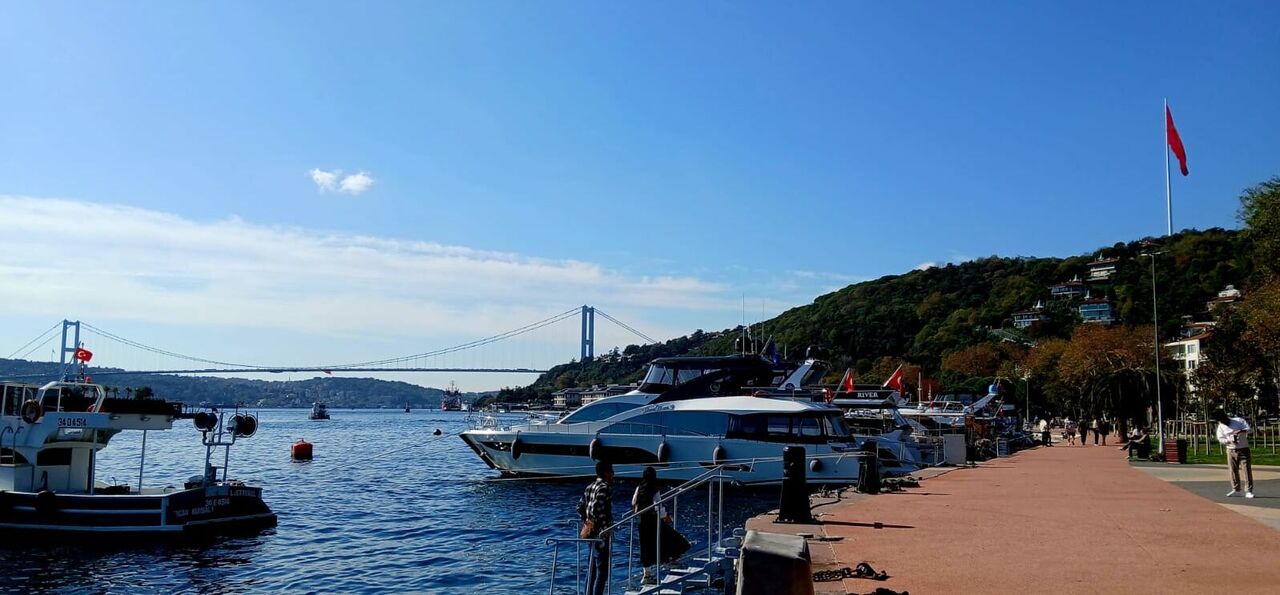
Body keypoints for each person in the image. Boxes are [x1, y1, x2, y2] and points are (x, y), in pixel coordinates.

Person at [632, 466, 690, 584]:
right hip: (652, 521)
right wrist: (666, 517)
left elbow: (633, 502)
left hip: (641, 521)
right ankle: (669, 561)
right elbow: (658, 505)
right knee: (673, 538)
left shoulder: (639, 487)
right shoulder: (654, 488)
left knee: (646, 547)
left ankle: (647, 575)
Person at [579, 460, 615, 595]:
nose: (613, 474)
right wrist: (605, 529)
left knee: (591, 568)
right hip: (600, 534)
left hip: (590, 532)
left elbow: (579, 507)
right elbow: (597, 509)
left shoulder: (590, 486)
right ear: (606, 473)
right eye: (611, 471)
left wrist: (587, 522)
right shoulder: (604, 487)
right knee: (602, 571)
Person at [1213, 411, 1254, 498]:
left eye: (1223, 420)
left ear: (1226, 417)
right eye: (1220, 421)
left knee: (1246, 470)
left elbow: (1250, 430)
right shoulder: (1221, 426)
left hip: (1243, 449)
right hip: (1231, 450)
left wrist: (1240, 431)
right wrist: (1228, 441)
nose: (1223, 422)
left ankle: (1248, 490)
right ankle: (1236, 489)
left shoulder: (1238, 421)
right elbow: (1220, 438)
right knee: (1233, 470)